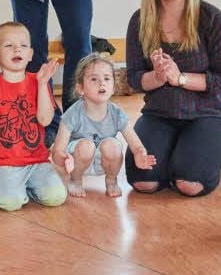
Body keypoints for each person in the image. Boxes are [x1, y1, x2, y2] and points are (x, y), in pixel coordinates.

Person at [125, 0, 221, 197]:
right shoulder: (139, 20)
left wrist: (179, 78)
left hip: (207, 114)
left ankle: (212, 151)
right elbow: (134, 78)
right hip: (159, 114)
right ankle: (175, 152)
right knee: (144, 182)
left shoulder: (211, 17)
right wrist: (157, 77)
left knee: (189, 184)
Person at [0, 22, 66, 211]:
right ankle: (11, 186)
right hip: (5, 163)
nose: (17, 49)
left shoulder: (37, 81)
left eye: (23, 45)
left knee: (57, 197)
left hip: (38, 161)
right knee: (10, 203)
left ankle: (27, 187)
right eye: (8, 45)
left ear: (30, 54)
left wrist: (42, 84)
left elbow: (46, 120)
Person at [51, 54, 157, 198]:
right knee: (85, 145)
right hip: (78, 160)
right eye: (94, 79)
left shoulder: (117, 114)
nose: (102, 83)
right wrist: (64, 159)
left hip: (103, 160)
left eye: (107, 78)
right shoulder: (73, 114)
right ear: (80, 88)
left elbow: (135, 144)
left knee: (112, 145)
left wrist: (140, 155)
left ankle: (111, 180)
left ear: (113, 87)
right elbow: (57, 151)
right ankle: (75, 181)